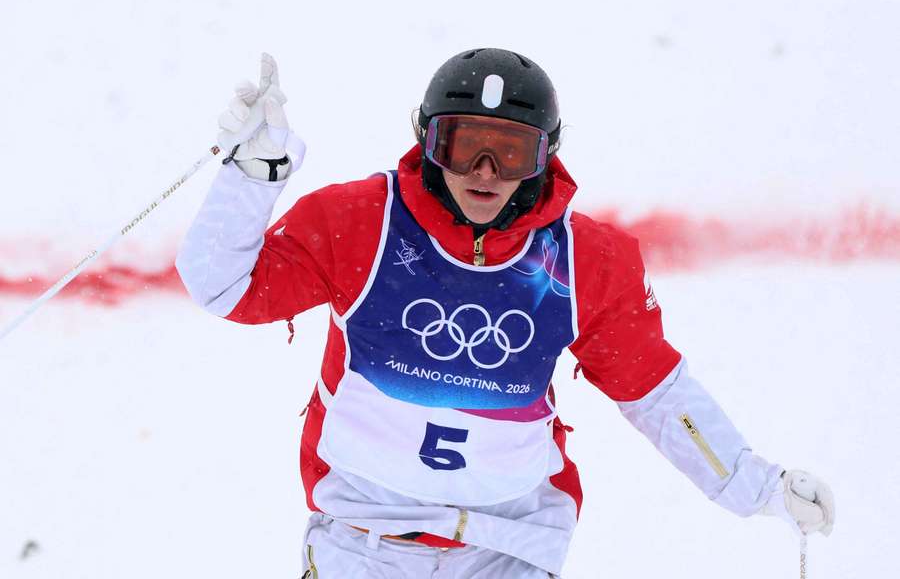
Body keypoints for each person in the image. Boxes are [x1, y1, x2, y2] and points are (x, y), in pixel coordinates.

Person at [176, 49, 835, 578]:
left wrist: (760, 488)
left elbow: (656, 392)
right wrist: (252, 174)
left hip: (508, 544)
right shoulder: (358, 222)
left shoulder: (584, 261)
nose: (486, 171)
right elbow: (224, 288)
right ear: (427, 141)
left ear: (547, 153)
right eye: (463, 145)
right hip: (362, 536)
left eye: (511, 151)